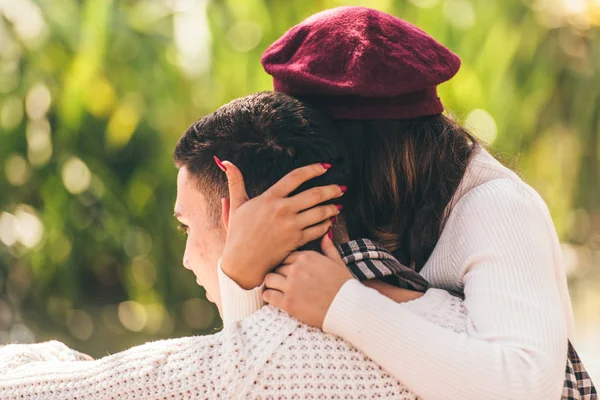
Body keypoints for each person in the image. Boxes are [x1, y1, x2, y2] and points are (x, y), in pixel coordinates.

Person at [215, 6, 595, 400]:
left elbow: (523, 385)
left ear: (362, 150)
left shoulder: (496, 206)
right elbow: (264, 370)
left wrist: (345, 305)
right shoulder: (334, 201)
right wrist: (240, 272)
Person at [0, 92, 468, 399]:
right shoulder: (460, 312)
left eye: (187, 227)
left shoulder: (254, 363)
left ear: (236, 216)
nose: (185, 257)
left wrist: (236, 274)